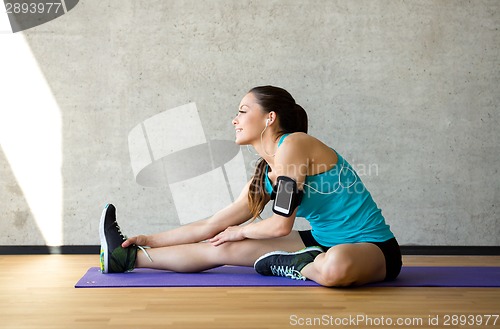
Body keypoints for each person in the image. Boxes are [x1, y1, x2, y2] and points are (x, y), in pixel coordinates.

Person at [99, 85, 402, 287]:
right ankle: (125, 258)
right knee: (220, 246)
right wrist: (147, 239)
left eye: (243, 111)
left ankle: (297, 265)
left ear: (270, 118)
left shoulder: (295, 144)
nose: (235, 119)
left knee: (336, 267)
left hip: (372, 248)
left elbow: (281, 225)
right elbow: (211, 226)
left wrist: (242, 231)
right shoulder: (263, 177)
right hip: (318, 242)